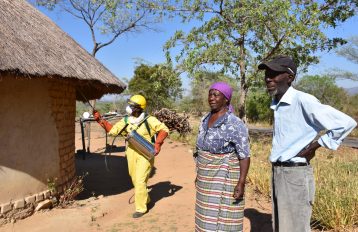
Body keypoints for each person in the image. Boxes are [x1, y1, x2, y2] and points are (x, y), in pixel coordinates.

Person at [258, 55, 357, 232]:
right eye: (267, 73)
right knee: (282, 227)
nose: (268, 78)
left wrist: (316, 145)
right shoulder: (277, 104)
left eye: (274, 73)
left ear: (290, 77)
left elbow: (346, 122)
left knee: (294, 228)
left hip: (294, 175)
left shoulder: (303, 100)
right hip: (279, 172)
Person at [93, 94, 169, 218]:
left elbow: (164, 129)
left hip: (145, 154)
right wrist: (100, 120)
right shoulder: (126, 120)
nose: (128, 107)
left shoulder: (149, 120)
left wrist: (158, 143)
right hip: (131, 153)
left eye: (131, 106)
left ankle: (141, 208)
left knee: (139, 181)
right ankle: (146, 199)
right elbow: (112, 131)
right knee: (135, 179)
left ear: (139, 108)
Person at [194, 82, 250, 231]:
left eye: (216, 94)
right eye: (210, 94)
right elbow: (199, 149)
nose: (211, 98)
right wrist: (199, 174)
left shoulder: (235, 123)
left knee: (223, 218)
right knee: (204, 216)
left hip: (224, 177)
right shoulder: (204, 120)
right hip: (204, 178)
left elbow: (244, 155)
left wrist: (241, 182)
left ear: (226, 99)